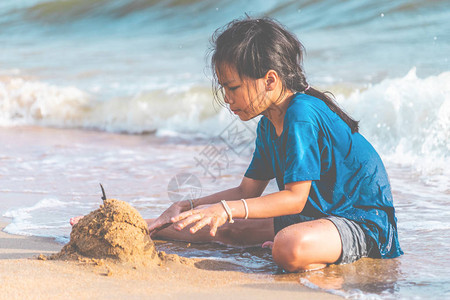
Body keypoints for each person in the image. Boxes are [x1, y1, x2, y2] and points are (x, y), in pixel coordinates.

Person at [79, 17, 403, 272]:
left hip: (361, 223)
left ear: (270, 80)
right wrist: (188, 207)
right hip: (315, 218)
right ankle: (137, 226)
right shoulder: (268, 123)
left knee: (287, 246)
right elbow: (247, 193)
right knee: (224, 229)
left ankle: (322, 262)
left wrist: (226, 210)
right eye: (223, 89)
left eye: (232, 88)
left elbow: (295, 198)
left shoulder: (301, 113)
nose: (227, 99)